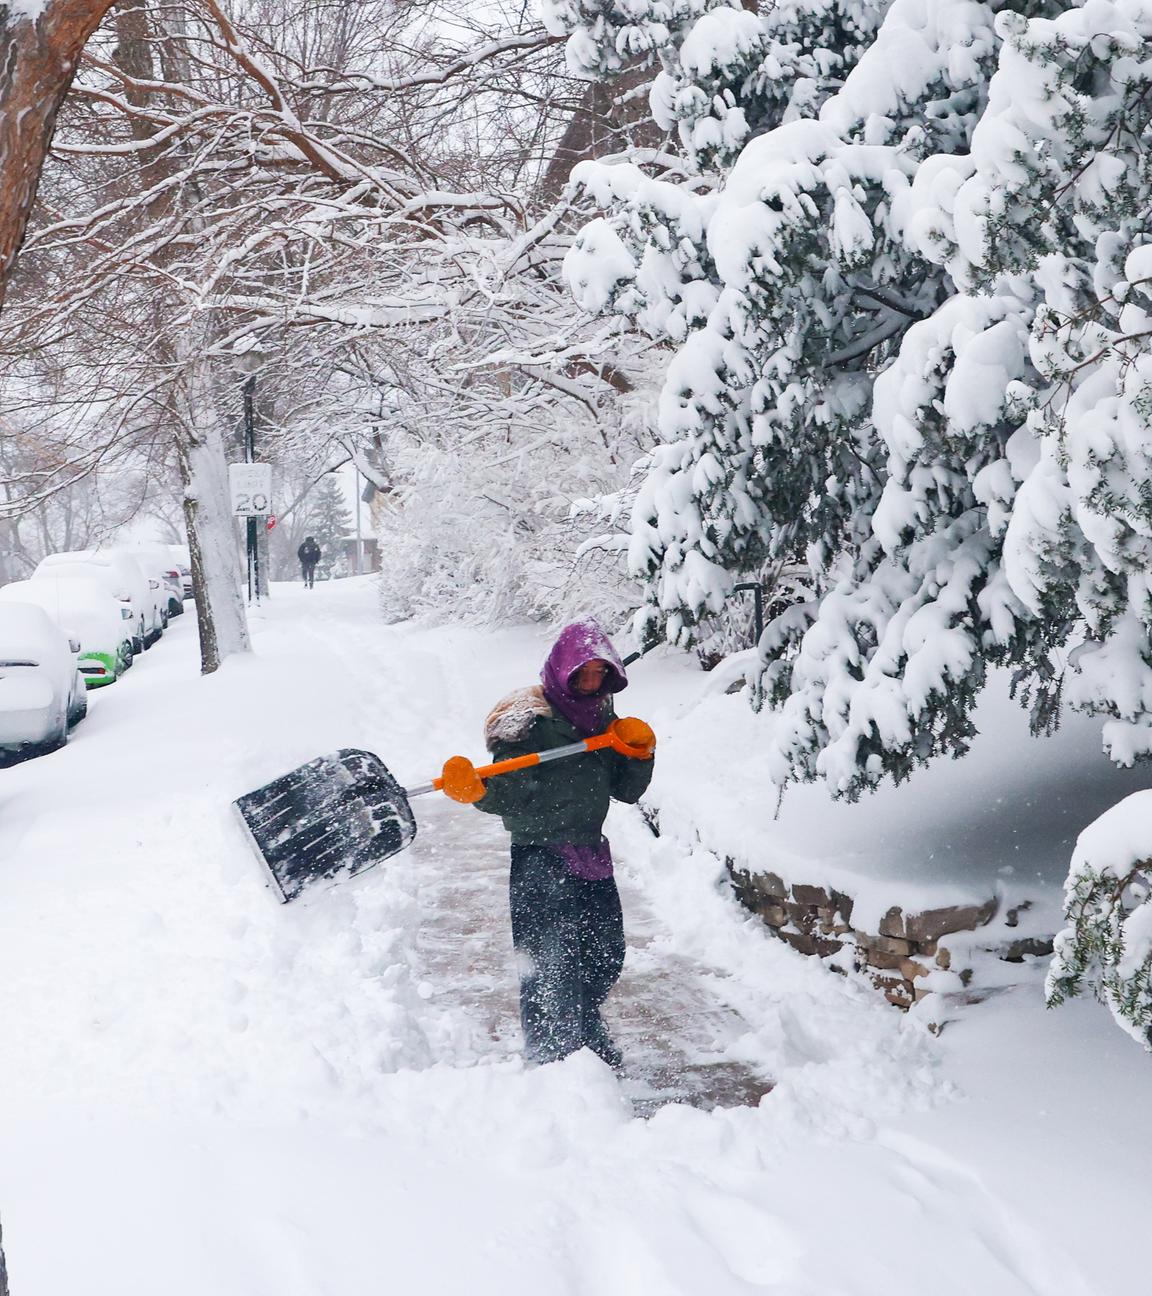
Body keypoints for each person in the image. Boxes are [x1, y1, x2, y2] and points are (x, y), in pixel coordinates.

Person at [440, 619, 656, 1069]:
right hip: (540, 855)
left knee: (604, 955)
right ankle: (554, 1058)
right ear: (563, 670)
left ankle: (584, 1028)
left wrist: (639, 755)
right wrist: (479, 791)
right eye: (584, 673)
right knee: (549, 965)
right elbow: (513, 792)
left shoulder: (604, 721)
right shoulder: (529, 727)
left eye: (600, 673)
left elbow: (627, 791)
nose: (592, 682)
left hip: (590, 852)